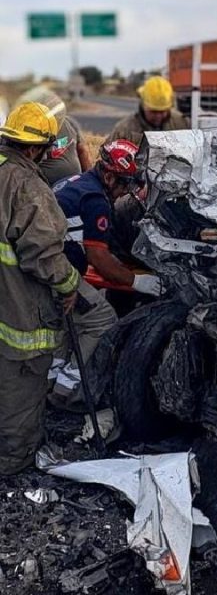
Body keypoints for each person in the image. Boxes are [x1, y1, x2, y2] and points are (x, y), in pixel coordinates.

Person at [49, 139, 162, 404]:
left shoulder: (77, 182)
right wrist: (137, 282)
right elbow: (98, 258)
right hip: (57, 269)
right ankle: (71, 391)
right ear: (110, 176)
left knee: (72, 324)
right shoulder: (96, 200)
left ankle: (52, 383)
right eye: (125, 183)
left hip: (47, 264)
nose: (128, 191)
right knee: (102, 319)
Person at [0, 102, 80, 474]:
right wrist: (70, 285)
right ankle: (13, 463)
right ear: (35, 148)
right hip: (17, 310)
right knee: (21, 387)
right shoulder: (27, 185)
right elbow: (43, 254)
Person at [14, 86, 92, 186]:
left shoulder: (69, 123)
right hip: (45, 190)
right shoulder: (30, 132)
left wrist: (90, 181)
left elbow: (82, 151)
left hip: (75, 186)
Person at [106, 76, 189, 147]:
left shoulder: (182, 124)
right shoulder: (124, 130)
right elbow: (105, 158)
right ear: (143, 105)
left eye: (162, 111)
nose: (158, 116)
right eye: (154, 112)